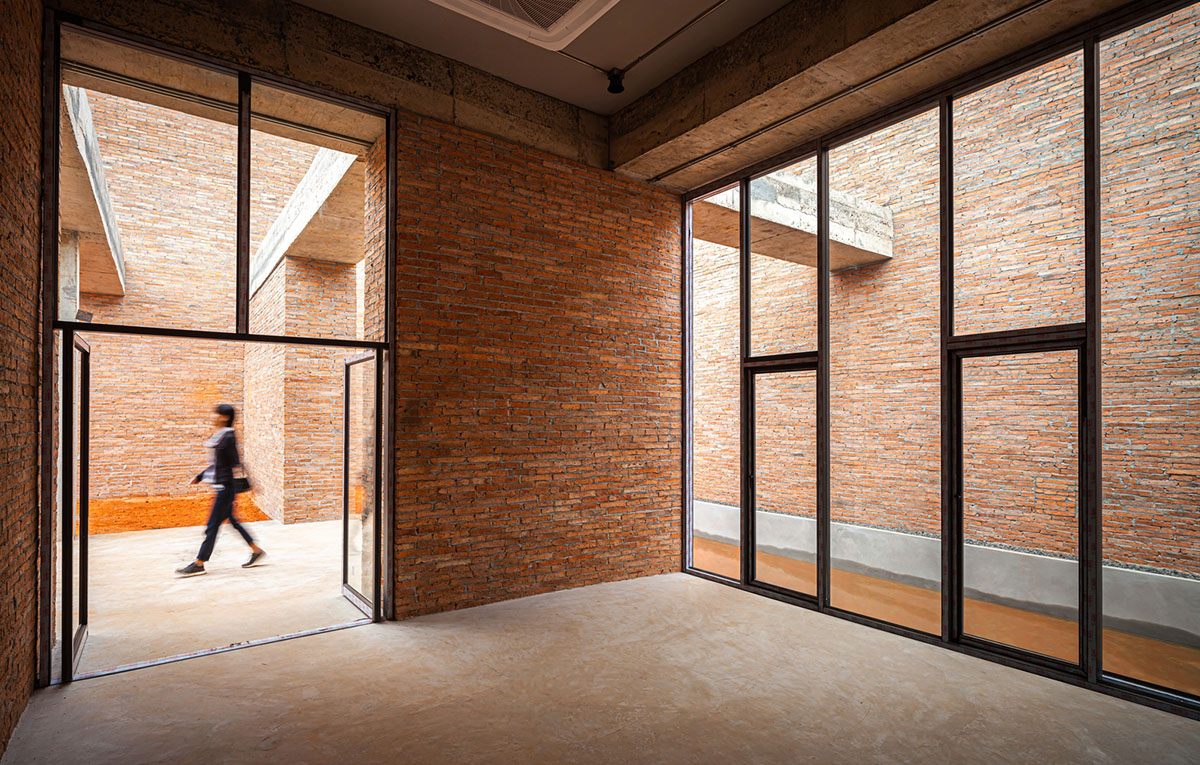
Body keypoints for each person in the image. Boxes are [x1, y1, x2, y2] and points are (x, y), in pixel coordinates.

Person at [176, 404, 266, 577]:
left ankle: (199, 563)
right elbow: (218, 464)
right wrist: (201, 476)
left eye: (216, 414)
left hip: (226, 489)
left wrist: (250, 482)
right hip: (223, 487)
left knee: (212, 526)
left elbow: (235, 462)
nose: (213, 417)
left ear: (224, 417)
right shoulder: (221, 436)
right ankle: (256, 550)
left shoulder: (228, 437)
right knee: (233, 521)